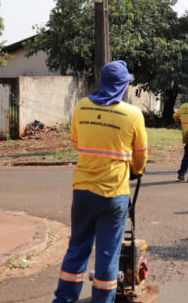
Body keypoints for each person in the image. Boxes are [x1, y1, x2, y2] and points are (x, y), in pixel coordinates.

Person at [53, 60, 147, 303]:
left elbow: (76, 142)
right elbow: (140, 156)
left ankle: (64, 299)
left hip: (83, 191)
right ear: (123, 85)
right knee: (107, 254)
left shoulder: (82, 107)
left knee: (77, 249)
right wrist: (135, 170)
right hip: (113, 194)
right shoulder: (133, 114)